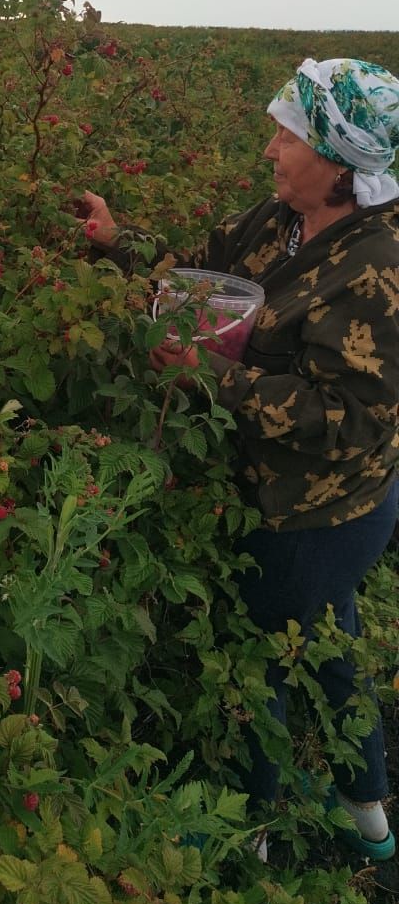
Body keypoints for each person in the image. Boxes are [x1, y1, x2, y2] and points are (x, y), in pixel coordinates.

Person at [82, 57, 399, 861]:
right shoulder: (281, 220)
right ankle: (371, 822)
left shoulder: (381, 269)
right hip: (276, 491)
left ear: (335, 161)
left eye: (286, 135)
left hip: (316, 512)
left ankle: (248, 838)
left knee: (256, 665)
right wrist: (120, 246)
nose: (270, 150)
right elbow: (203, 279)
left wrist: (211, 376)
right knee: (327, 645)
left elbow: (352, 419)